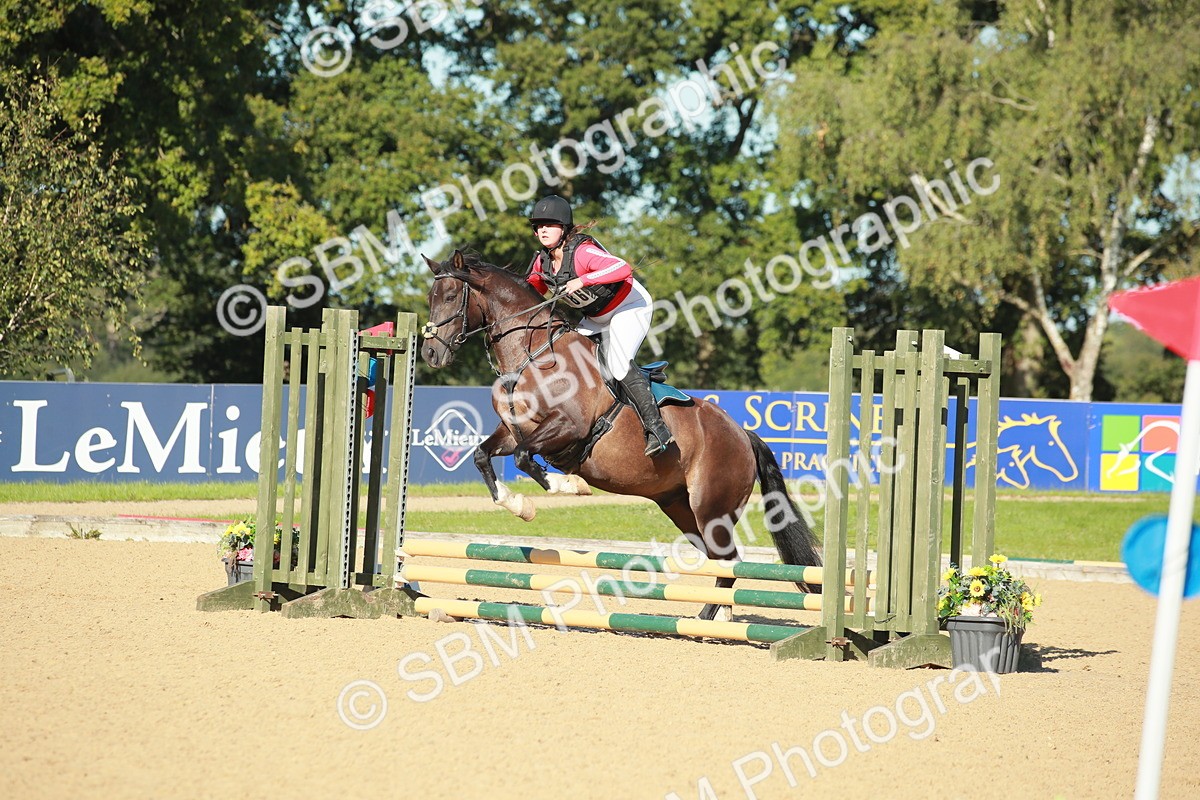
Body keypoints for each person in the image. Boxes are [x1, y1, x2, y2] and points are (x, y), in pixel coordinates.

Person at [524, 194, 674, 457]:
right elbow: (529, 291)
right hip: (595, 318)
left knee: (617, 364)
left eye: (550, 224)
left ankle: (657, 429)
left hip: (630, 308)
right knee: (563, 356)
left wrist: (582, 281)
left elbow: (622, 267)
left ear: (564, 228)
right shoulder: (542, 262)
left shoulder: (582, 251)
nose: (543, 229)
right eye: (539, 225)